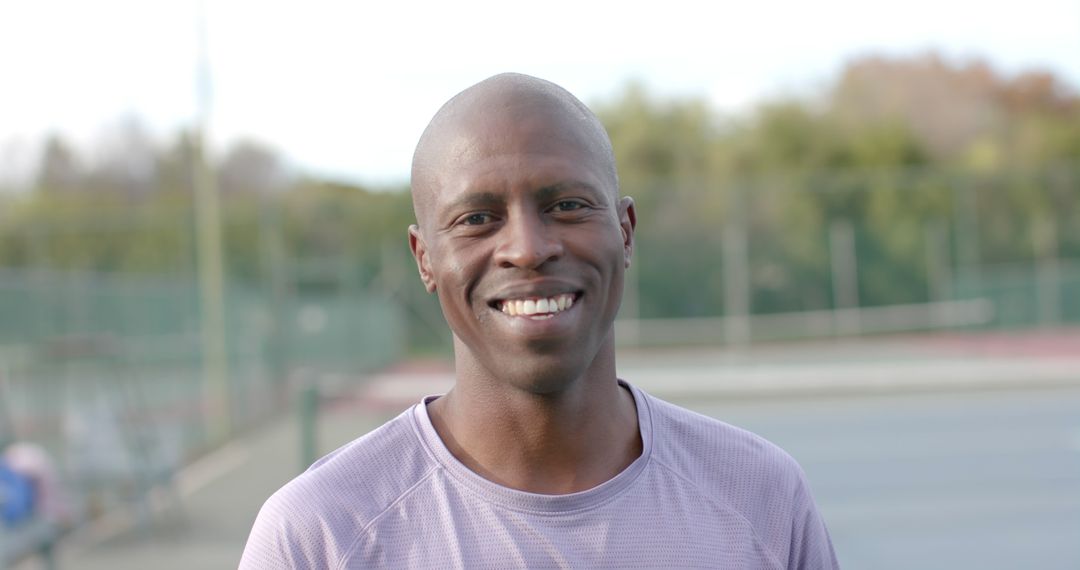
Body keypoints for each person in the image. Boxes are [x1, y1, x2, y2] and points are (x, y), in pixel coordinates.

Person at [240, 73, 839, 569]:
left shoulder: (761, 495)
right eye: (477, 218)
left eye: (567, 205)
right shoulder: (317, 537)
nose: (527, 248)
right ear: (425, 258)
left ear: (625, 232)